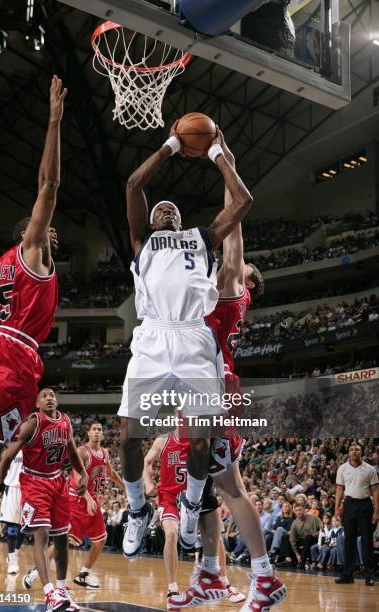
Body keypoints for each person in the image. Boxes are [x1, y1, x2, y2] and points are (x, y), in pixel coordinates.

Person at [118, 125, 254, 560]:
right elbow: (134, 183)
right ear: (149, 222)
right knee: (127, 436)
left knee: (201, 439)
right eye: (160, 211)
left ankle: (193, 505)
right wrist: (173, 145)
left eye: (172, 210)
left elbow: (243, 202)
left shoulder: (201, 237)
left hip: (194, 336)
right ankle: (137, 509)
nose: (166, 212)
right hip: (153, 335)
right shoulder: (142, 242)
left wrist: (218, 154)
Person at [169, 141, 286, 611]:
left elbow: (235, 218)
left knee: (231, 487)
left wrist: (224, 161)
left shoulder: (233, 283)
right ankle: (211, 573)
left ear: (249, 281)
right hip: (204, 382)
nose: (239, 259)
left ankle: (264, 578)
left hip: (217, 386)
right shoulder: (218, 288)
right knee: (217, 489)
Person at [0, 76, 66, 593]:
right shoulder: (30, 250)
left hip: (16, 355)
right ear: (26, 234)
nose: (51, 229)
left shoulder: (9, 267)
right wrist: (53, 121)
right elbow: (49, 187)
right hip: (11, 350)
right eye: (40, 226)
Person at [0, 388, 88, 612]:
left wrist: (84, 473)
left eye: (52, 395)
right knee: (41, 534)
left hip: (57, 481)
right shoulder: (34, 422)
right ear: (37, 404)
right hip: (34, 481)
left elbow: (72, 451)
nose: (49, 398)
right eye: (44, 396)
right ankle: (49, 593)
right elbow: (6, 457)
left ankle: (62, 591)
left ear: (57, 400)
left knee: (61, 539)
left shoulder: (65, 422)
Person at [143, 431, 244, 607]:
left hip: (199, 494)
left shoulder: (202, 438)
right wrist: (149, 483)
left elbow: (222, 467)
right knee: (172, 534)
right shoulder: (163, 440)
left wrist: (226, 499)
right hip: (170, 496)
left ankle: (224, 582)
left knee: (216, 537)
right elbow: (147, 461)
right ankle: (172, 589)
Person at [23, 421, 124, 590]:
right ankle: (35, 572)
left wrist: (126, 488)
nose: (98, 432)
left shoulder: (105, 453)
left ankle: (83, 575)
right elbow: (77, 478)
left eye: (100, 429)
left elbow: (111, 473)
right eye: (94, 429)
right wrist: (88, 498)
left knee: (101, 539)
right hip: (76, 501)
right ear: (88, 433)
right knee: (64, 541)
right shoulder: (82, 452)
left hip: (92, 502)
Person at [335, 442, 378, 586]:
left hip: (365, 505)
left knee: (367, 541)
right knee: (349, 541)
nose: (354, 452)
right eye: (352, 449)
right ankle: (348, 574)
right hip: (349, 505)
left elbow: (376, 491)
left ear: (362, 452)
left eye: (357, 449)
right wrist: (336, 510)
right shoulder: (342, 468)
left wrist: (377, 511)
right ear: (348, 452)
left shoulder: (370, 469)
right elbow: (339, 490)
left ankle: (369, 575)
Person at [0, 450, 24, 575]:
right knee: (12, 528)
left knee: (24, 527)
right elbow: (1, 470)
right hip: (12, 489)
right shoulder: (9, 451)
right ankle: (12, 561)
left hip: (29, 490)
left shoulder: (34, 447)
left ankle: (15, 555)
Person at [289, 503, 321, 569]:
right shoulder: (294, 523)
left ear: (304, 510)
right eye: (297, 510)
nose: (298, 512)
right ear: (295, 512)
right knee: (285, 538)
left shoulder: (314, 518)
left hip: (315, 539)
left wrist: (317, 533)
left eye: (300, 510)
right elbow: (292, 539)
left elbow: (323, 529)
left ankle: (302, 562)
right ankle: (290, 559)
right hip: (303, 540)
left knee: (308, 537)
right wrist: (297, 554)